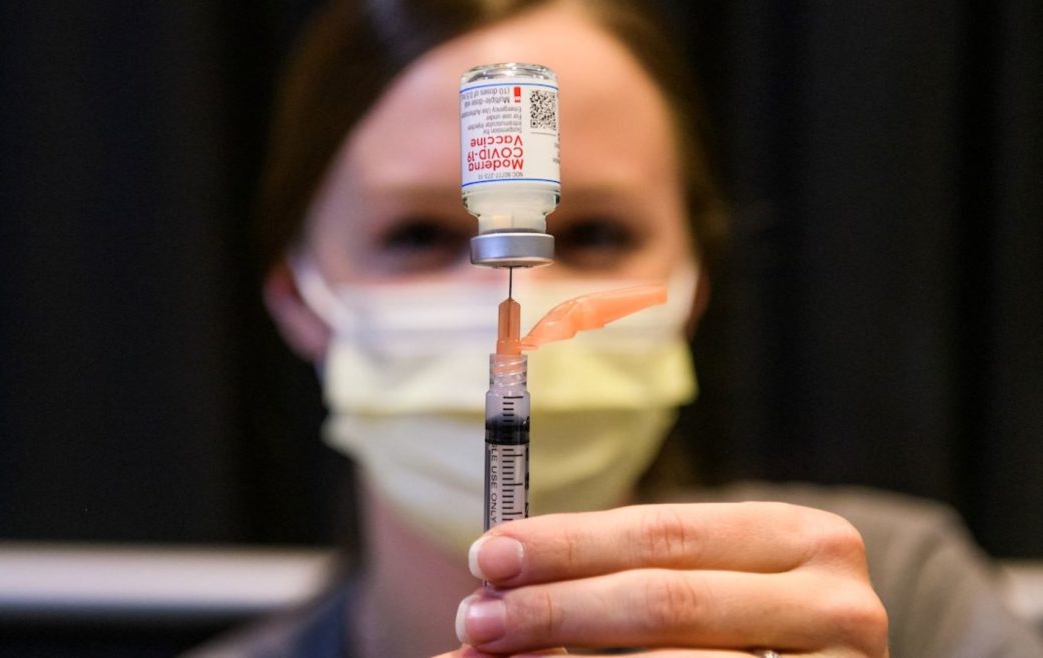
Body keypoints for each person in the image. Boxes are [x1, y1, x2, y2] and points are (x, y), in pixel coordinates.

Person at [201, 0, 1043, 656]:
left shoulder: (897, 601)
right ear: (295, 297)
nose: (519, 302)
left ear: (692, 285)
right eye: (416, 236)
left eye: (599, 234)